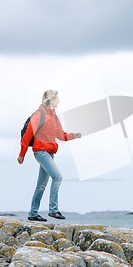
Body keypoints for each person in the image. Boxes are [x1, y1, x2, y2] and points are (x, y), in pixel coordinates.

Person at [17, 90, 81, 222]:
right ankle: (53, 210)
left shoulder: (54, 116)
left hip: (50, 153)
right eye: (57, 99)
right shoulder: (39, 114)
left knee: (41, 185)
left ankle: (33, 213)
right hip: (40, 152)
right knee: (57, 177)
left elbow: (60, 135)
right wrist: (21, 154)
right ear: (50, 100)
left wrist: (73, 135)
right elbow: (28, 134)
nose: (59, 101)